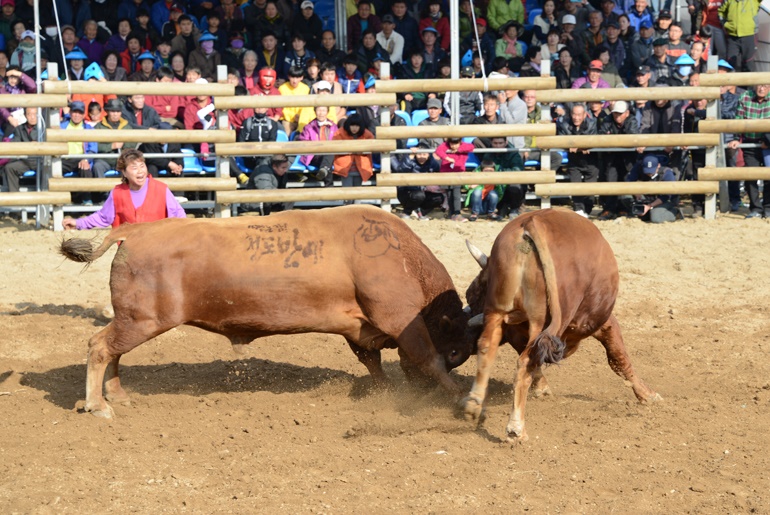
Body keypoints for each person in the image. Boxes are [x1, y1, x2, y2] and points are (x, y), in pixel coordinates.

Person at [62, 148, 186, 230]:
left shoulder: (161, 189)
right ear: (124, 173)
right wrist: (78, 223)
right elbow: (103, 217)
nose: (140, 171)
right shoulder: (117, 194)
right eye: (134, 167)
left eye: (142, 166)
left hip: (159, 252)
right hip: (129, 254)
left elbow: (179, 216)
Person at [728, 83, 770, 218]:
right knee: (751, 176)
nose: (762, 88)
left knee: (769, 176)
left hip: (769, 142)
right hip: (750, 142)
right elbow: (739, 119)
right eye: (759, 85)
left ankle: (768, 207)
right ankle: (756, 208)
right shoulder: (745, 97)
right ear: (754, 86)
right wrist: (735, 138)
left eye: (766, 86)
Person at [597, 101, 642, 220]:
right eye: (615, 113)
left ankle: (623, 208)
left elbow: (633, 135)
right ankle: (609, 209)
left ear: (627, 113)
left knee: (626, 180)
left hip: (627, 158)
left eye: (620, 114)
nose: (617, 116)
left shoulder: (631, 120)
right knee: (611, 181)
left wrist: (611, 139)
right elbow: (601, 135)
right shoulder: (608, 119)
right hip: (612, 157)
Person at [557, 103, 598, 217]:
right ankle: (579, 210)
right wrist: (573, 145)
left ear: (585, 115)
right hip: (574, 160)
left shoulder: (592, 123)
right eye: (574, 114)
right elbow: (561, 139)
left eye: (579, 114)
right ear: (570, 114)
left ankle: (588, 209)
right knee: (575, 185)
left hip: (591, 160)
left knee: (590, 187)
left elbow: (593, 139)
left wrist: (580, 145)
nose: (576, 117)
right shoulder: (564, 124)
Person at [625, 155, 681, 223]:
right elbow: (628, 181)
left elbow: (667, 195)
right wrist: (636, 192)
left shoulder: (667, 173)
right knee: (625, 195)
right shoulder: (638, 167)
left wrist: (649, 206)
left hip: (663, 200)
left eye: (652, 171)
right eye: (647, 171)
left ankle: (675, 212)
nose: (649, 174)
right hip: (646, 197)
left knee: (656, 218)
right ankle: (641, 212)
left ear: (658, 165)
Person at [393, 142, 441, 220]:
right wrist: (410, 156)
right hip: (407, 191)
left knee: (439, 198)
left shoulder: (431, 162)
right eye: (419, 154)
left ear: (428, 155)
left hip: (423, 191)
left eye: (424, 154)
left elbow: (437, 170)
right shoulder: (409, 158)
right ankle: (407, 212)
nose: (421, 157)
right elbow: (401, 170)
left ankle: (420, 213)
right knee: (419, 195)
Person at [2, 106, 43, 192]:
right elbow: (15, 143)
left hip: (40, 160)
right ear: (25, 115)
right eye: (29, 114)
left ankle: (44, 196)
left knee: (46, 168)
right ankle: (15, 197)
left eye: (35, 114)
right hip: (25, 160)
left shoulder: (43, 128)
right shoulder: (19, 128)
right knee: (9, 168)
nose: (32, 117)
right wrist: (30, 145)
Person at [331, 113, 374, 193]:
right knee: (347, 196)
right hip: (345, 169)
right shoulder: (340, 133)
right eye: (352, 125)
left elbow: (371, 146)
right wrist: (354, 150)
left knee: (357, 195)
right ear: (348, 125)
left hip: (360, 169)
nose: (354, 128)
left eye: (357, 126)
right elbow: (335, 147)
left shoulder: (367, 134)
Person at [435, 137, 475, 222]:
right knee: (449, 194)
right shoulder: (445, 145)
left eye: (456, 144)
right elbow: (438, 150)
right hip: (446, 173)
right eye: (452, 144)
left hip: (458, 173)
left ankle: (457, 213)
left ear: (460, 142)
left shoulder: (463, 146)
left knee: (456, 194)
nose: (453, 146)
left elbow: (471, 147)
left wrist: (459, 149)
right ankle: (451, 213)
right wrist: (447, 157)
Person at [299, 103, 338, 185]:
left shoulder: (333, 126)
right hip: (314, 155)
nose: (321, 113)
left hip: (330, 155)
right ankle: (329, 187)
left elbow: (337, 141)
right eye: (319, 110)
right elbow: (304, 142)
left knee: (329, 155)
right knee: (328, 163)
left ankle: (324, 170)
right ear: (315, 111)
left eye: (324, 110)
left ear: (327, 112)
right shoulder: (309, 127)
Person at [719, 0, 760, 72]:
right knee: (730, 64)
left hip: (749, 35)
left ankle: (748, 83)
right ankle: (730, 82)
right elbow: (721, 12)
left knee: (748, 63)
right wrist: (725, 24)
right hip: (732, 36)